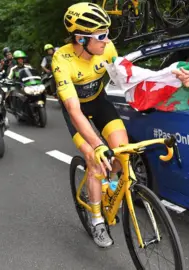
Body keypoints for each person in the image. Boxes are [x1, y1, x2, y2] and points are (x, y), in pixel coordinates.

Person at [52, 2, 128, 248]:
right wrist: (96, 145)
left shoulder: (107, 48)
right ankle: (96, 220)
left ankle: (111, 182)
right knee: (96, 161)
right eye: (102, 35)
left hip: (99, 102)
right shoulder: (61, 59)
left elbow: (123, 77)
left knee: (122, 152)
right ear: (81, 39)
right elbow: (74, 110)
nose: (108, 40)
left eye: (108, 33)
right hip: (77, 111)